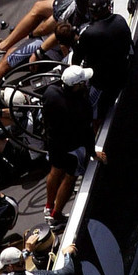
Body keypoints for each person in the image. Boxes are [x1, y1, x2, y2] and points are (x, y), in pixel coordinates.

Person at [41, 63, 96, 216]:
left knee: (55, 170)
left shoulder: (50, 92)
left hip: (53, 143)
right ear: (76, 85)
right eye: (82, 82)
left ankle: (48, 206)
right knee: (70, 178)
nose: (85, 84)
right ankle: (56, 215)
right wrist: (93, 153)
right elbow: (88, 133)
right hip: (72, 149)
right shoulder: (82, 106)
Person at [76, 4, 133, 125]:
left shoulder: (89, 33)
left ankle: (96, 125)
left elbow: (77, 57)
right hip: (124, 69)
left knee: (90, 109)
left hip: (104, 83)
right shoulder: (120, 20)